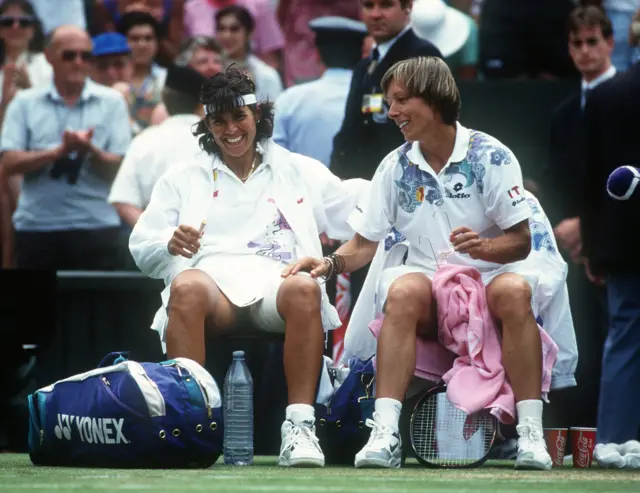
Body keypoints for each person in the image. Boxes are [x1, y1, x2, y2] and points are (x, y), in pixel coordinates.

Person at [285, 56, 556, 470]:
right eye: (390, 101)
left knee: (517, 289)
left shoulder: (491, 156)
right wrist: (331, 265)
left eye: (400, 100)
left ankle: (530, 435)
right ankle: (385, 432)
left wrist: (484, 250)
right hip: (433, 293)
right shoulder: (394, 167)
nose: (391, 111)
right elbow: (363, 244)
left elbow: (521, 242)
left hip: (490, 285)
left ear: (433, 99)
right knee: (403, 288)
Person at [129, 66, 364, 468]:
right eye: (219, 120)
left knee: (306, 286)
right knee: (184, 286)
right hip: (211, 291)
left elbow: (363, 219)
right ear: (207, 123)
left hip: (279, 287)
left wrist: (330, 262)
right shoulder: (182, 176)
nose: (231, 129)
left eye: (239, 117)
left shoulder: (298, 168)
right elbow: (142, 247)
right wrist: (169, 242)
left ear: (257, 116)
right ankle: (188, 426)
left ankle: (301, 427)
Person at [581, 60, 640, 452]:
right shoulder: (605, 95)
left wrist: (591, 245)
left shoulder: (605, 94)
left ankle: (615, 438)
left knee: (624, 335)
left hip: (621, 240)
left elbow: (588, 180)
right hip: (623, 242)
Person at [109, 65, 206, 227]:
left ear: (164, 100)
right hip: (216, 245)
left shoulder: (144, 141)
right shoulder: (222, 141)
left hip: (162, 246)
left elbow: (123, 201)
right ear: (201, 104)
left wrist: (157, 236)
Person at [273, 16, 368, 167]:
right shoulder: (374, 97)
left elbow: (273, 157)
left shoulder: (289, 100)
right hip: (363, 188)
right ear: (363, 54)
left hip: (302, 188)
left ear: (317, 54)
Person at [215, 5, 282, 101]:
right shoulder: (207, 70)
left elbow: (274, 112)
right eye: (221, 29)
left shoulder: (266, 75)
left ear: (249, 33)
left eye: (234, 29)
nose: (227, 35)